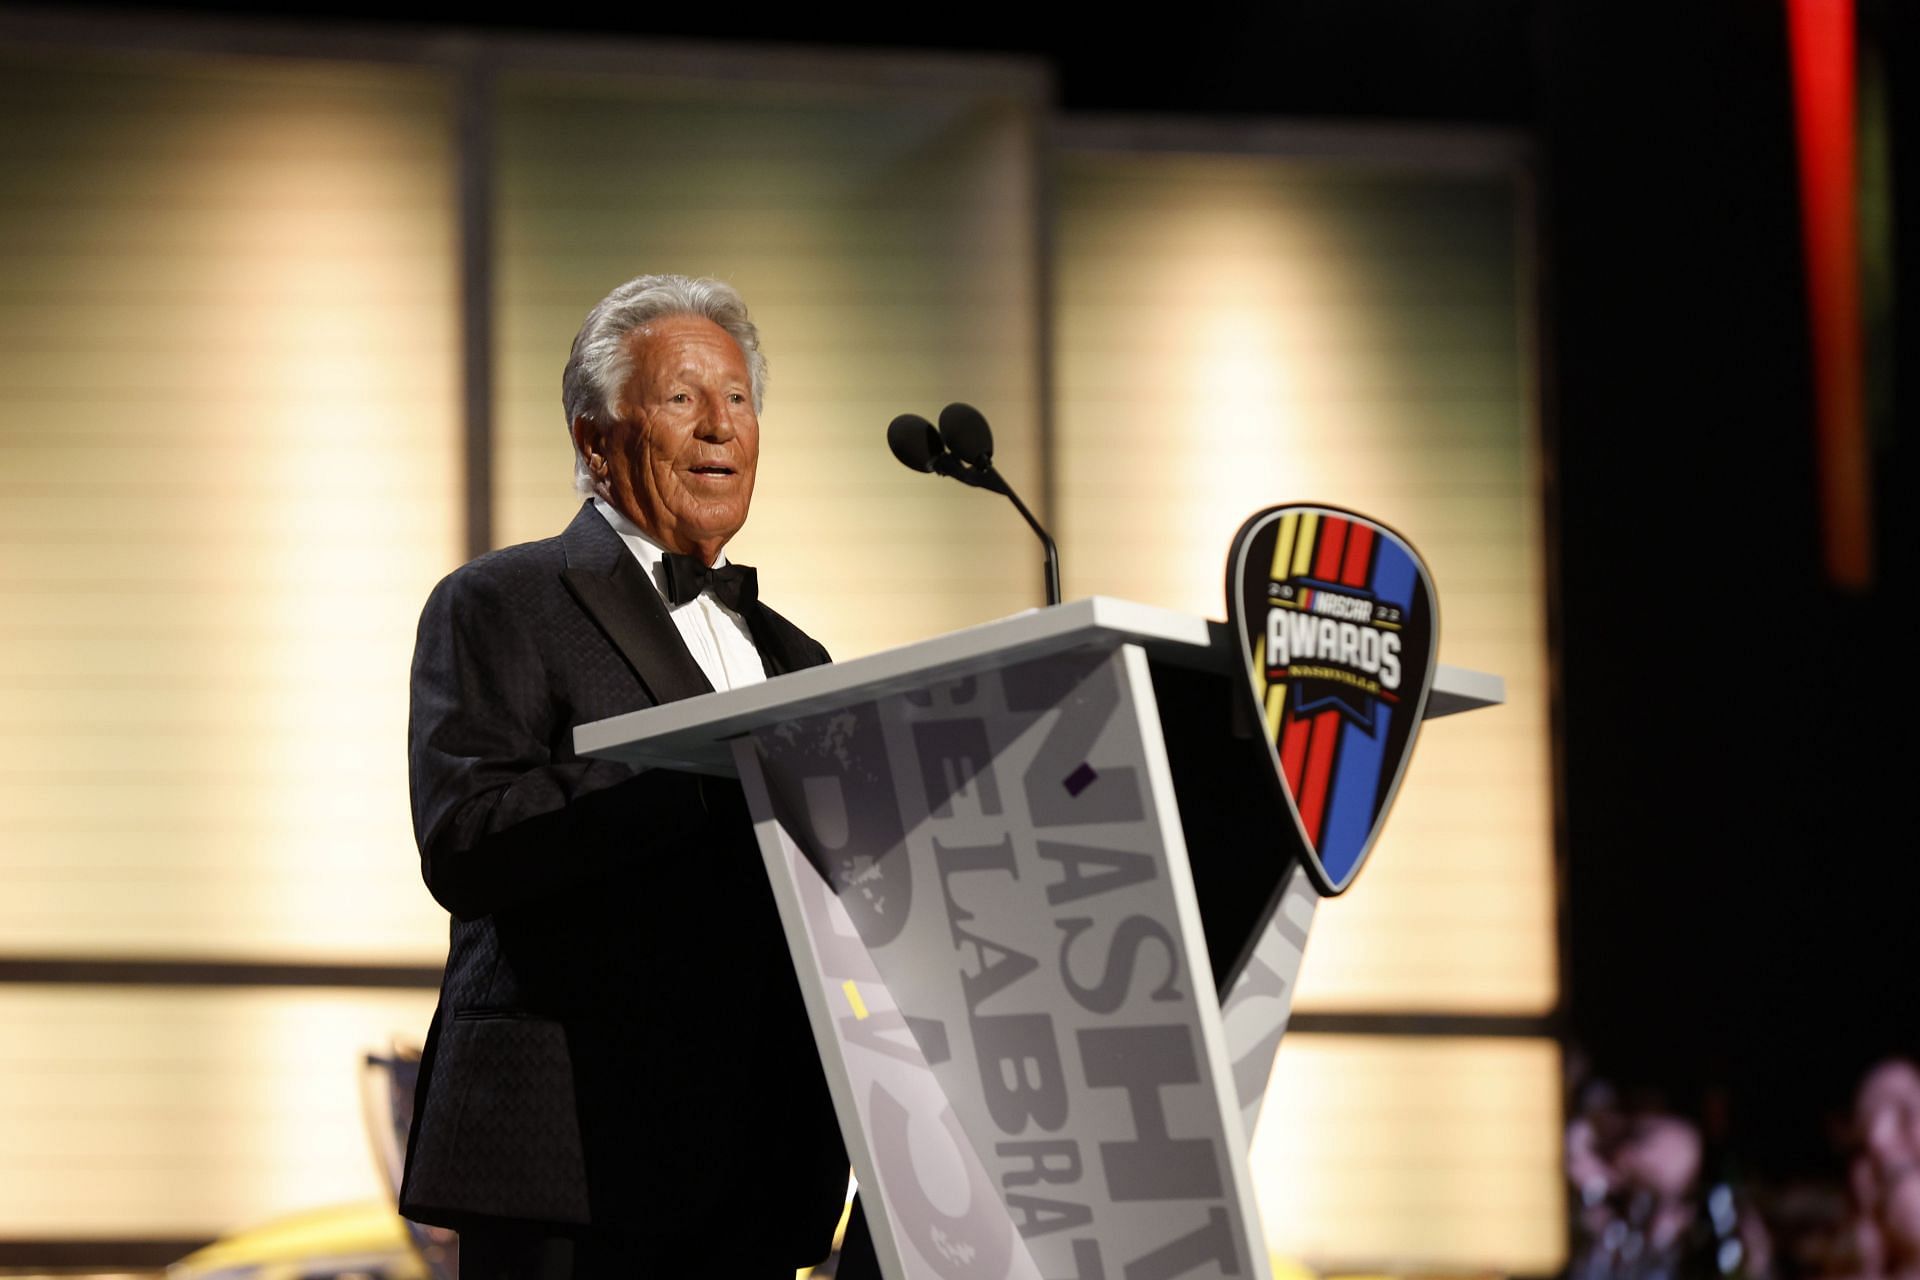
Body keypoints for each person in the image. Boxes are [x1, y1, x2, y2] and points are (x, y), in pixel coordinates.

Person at [399, 274, 851, 1278]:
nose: (719, 426)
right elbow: (466, 836)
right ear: (596, 439)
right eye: (683, 398)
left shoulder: (798, 657)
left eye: (738, 398)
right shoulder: (501, 600)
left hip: (754, 1165)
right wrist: (676, 776)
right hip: (569, 1159)